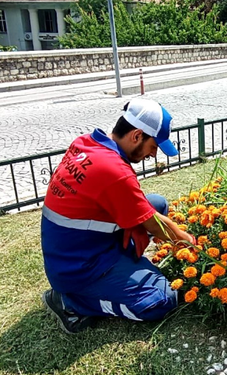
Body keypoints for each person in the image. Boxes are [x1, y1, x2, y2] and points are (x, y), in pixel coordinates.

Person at [40, 98, 195, 334]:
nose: (154, 154)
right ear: (136, 135)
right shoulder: (114, 171)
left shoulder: (87, 143)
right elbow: (154, 225)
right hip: (81, 268)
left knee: (157, 203)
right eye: (153, 146)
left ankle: (124, 265)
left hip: (73, 249)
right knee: (161, 299)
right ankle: (69, 301)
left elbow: (140, 207)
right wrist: (189, 242)